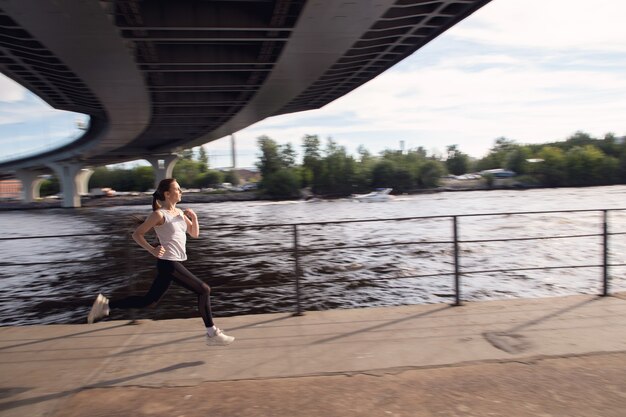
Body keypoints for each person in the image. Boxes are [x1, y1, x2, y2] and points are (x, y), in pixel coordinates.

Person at [87, 178, 234, 346]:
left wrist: (194, 218)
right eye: (177, 189)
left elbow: (194, 234)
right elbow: (137, 234)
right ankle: (212, 333)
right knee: (204, 290)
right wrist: (152, 249)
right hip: (168, 263)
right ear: (167, 193)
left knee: (149, 301)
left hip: (173, 262)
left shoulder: (178, 213)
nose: (181, 192)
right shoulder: (159, 214)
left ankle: (105, 305)